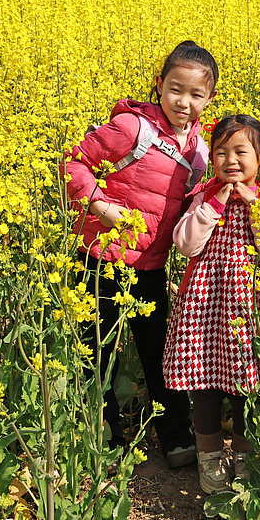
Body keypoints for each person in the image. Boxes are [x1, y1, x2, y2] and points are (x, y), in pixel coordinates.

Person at [60, 40, 218, 469]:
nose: (184, 102)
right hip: (98, 261)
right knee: (97, 352)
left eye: (195, 95)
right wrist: (101, 206)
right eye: (175, 89)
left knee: (160, 352)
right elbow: (73, 162)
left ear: (210, 98)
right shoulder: (133, 128)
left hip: (150, 267)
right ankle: (104, 435)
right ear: (159, 86)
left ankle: (175, 434)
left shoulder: (202, 151)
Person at [163, 115, 260, 494]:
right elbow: (186, 245)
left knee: (247, 382)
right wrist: (213, 203)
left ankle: (247, 456)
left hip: (250, 306)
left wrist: (255, 205)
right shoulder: (202, 198)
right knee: (204, 383)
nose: (230, 161)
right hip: (206, 305)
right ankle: (210, 455)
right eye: (221, 153)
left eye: (240, 152)